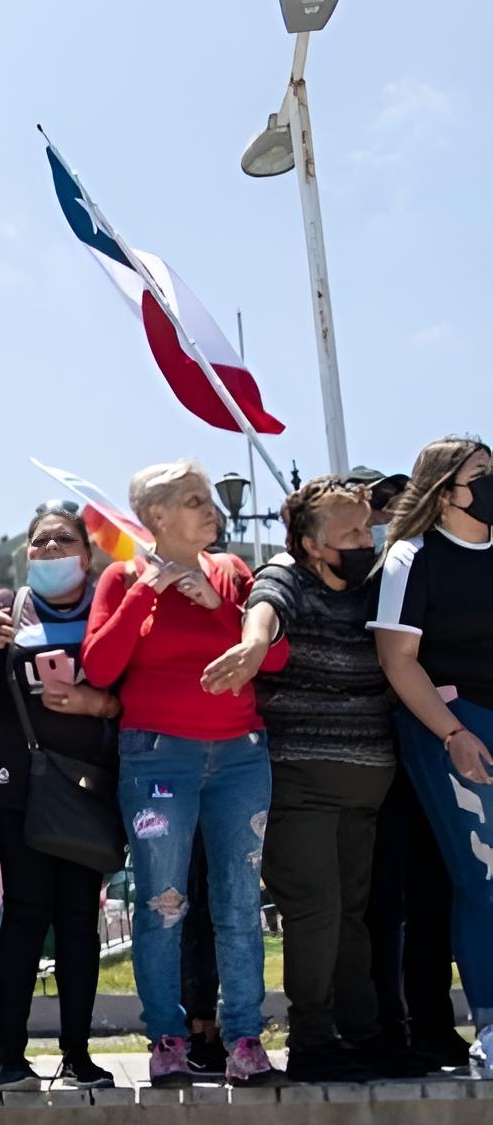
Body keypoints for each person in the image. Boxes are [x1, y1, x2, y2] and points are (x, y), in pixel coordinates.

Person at [81, 459, 289, 1088]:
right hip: (157, 757)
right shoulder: (122, 577)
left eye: (208, 500)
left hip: (240, 756)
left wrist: (219, 605)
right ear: (157, 515)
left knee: (239, 900)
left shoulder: (233, 571)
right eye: (195, 500)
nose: (211, 510)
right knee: (163, 901)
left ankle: (245, 1039)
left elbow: (274, 657)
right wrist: (148, 590)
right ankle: (167, 1041)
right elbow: (99, 667)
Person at [227, 478, 422, 1081]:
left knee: (353, 916)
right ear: (312, 544)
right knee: (316, 913)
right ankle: (313, 1040)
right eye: (351, 533)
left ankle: (364, 1035)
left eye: (366, 528)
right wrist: (252, 646)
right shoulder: (286, 577)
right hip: (300, 783)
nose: (366, 540)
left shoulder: (374, 589)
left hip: (367, 786)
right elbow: (264, 611)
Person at [0, 502, 121, 1092]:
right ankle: (10, 1059)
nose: (51, 549)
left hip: (86, 788)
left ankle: (77, 1056)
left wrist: (100, 704)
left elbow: (136, 690)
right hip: (15, 785)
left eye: (64, 539)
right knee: (26, 911)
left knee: (79, 920)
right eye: (40, 541)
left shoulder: (111, 609)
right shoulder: (6, 609)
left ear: (88, 554)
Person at [372, 435, 493, 1078]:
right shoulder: (411, 556)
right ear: (445, 492)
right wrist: (453, 734)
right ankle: (490, 1025)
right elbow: (398, 660)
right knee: (483, 879)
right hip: (455, 726)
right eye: (481, 475)